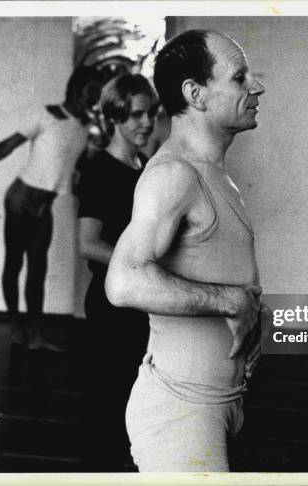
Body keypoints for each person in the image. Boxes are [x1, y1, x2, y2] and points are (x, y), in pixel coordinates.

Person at [105, 29, 267, 472]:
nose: (256, 87)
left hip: (221, 404)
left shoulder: (213, 172)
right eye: (239, 77)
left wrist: (251, 310)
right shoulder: (173, 175)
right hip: (180, 412)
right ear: (195, 94)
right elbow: (123, 282)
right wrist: (230, 301)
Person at [0, 65, 104, 351]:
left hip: (45, 206)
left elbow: (75, 166)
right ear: (76, 89)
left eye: (97, 94)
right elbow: (6, 146)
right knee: (14, 262)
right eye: (91, 92)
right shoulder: (47, 115)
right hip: (20, 201)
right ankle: (15, 327)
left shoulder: (84, 128)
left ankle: (36, 335)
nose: (94, 99)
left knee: (37, 271)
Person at [75, 73, 159, 470]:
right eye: (136, 116)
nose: (146, 123)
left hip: (139, 296)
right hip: (111, 300)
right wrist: (139, 264)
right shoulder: (99, 170)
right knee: (108, 403)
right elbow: (87, 242)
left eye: (151, 114)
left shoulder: (144, 164)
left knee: (136, 397)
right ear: (114, 117)